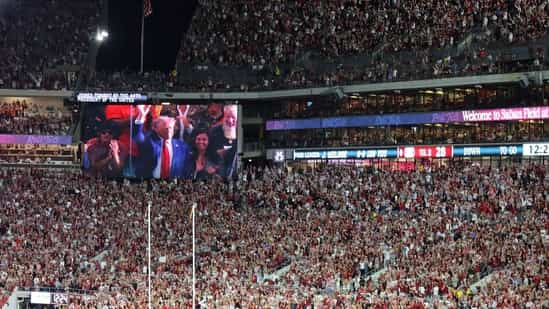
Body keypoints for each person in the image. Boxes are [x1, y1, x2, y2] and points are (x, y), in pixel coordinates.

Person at [132, 105, 192, 179]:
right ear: (155, 128)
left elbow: (186, 169)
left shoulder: (182, 146)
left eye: (171, 126)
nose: (168, 126)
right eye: (164, 124)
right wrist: (141, 116)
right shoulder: (149, 141)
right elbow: (137, 135)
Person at [208, 105, 238, 178]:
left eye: (233, 117)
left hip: (232, 168)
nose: (230, 121)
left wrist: (227, 151)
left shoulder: (240, 132)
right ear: (223, 117)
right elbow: (206, 153)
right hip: (215, 169)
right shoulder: (213, 131)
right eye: (228, 116)